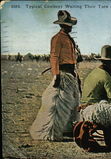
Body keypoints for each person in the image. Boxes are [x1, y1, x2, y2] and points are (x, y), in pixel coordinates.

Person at [30, 10, 81, 141]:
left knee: (72, 102)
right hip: (62, 75)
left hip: (71, 74)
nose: (70, 26)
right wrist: (56, 75)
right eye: (68, 24)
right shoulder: (57, 39)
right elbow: (54, 57)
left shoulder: (69, 39)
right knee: (58, 104)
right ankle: (50, 132)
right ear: (63, 25)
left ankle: (69, 129)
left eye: (70, 24)